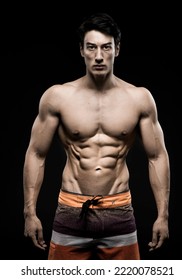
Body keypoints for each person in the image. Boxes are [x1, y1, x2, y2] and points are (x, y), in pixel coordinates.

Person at [23, 12, 170, 260]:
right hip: (70, 210)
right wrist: (29, 213)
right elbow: (36, 154)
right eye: (91, 47)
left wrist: (163, 216)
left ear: (117, 49)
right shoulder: (58, 97)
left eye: (106, 47)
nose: (99, 56)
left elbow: (157, 156)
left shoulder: (139, 98)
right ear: (81, 50)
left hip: (119, 210)